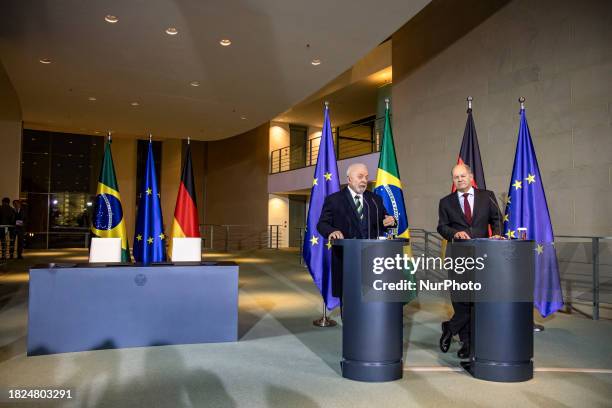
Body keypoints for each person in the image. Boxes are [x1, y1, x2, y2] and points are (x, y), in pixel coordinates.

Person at [437, 163, 502, 359]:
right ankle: (467, 344)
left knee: (476, 300)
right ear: (453, 180)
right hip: (457, 255)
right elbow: (442, 227)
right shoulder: (445, 202)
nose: (460, 179)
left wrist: (497, 234)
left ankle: (450, 328)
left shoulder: (487, 196)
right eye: (456, 177)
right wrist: (455, 233)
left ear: (471, 176)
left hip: (483, 256)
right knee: (461, 300)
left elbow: (496, 219)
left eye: (463, 176)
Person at [317, 163, 397, 298]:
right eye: (360, 176)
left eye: (366, 177)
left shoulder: (375, 199)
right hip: (346, 259)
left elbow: (384, 222)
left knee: (371, 297)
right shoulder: (335, 200)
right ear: (349, 179)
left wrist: (390, 222)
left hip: (372, 258)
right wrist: (332, 231)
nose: (364, 180)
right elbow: (322, 224)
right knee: (348, 298)